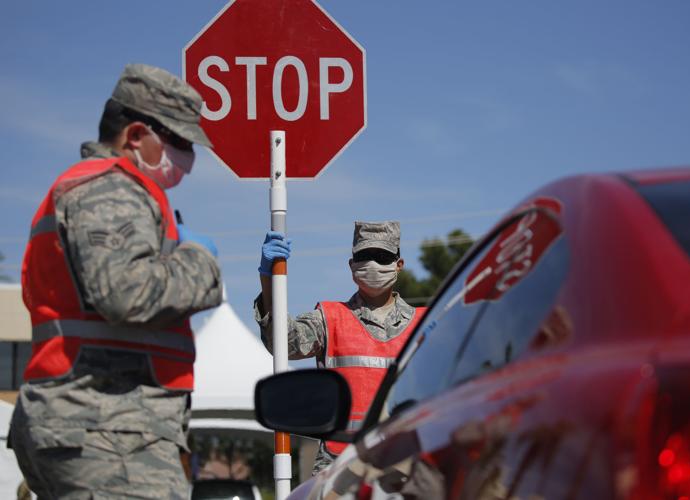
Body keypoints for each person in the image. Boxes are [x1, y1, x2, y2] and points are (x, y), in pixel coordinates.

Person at [10, 64, 223, 499]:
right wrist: (199, 260)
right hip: (107, 427)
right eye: (178, 141)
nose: (188, 157)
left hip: (95, 423)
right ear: (135, 136)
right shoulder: (112, 189)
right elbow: (126, 294)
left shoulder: (92, 187)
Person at [254, 221, 426, 474]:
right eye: (364, 256)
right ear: (352, 265)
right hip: (340, 465)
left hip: (405, 464)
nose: (373, 264)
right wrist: (268, 280)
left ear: (398, 264)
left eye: (382, 257)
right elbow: (282, 343)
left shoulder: (426, 324)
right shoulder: (329, 317)